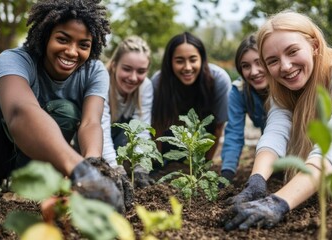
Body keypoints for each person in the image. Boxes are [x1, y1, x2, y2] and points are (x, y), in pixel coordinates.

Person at [224, 10, 332, 231]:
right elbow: (276, 133)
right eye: (273, 61)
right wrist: (257, 181)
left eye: (293, 51)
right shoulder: (286, 87)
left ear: (315, 45)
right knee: (323, 188)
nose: (286, 66)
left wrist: (279, 203)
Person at [0, 0, 127, 213]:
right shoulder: (14, 59)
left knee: (66, 112)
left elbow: (91, 122)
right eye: (63, 39)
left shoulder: (94, 71)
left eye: (83, 45)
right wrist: (78, 169)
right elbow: (20, 112)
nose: (72, 52)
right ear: (45, 37)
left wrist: (94, 167)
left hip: (38, 164)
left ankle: (27, 192)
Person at [151, 31, 232, 168]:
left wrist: (203, 167)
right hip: (171, 142)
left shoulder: (218, 80)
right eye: (179, 61)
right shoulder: (159, 82)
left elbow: (218, 127)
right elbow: (157, 125)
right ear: (170, 62)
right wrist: (157, 165)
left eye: (193, 60)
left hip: (202, 142)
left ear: (202, 59)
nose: (187, 67)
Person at [102, 36, 155, 188]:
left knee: (131, 130)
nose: (133, 77)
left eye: (141, 71)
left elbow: (142, 129)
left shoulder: (145, 86)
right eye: (126, 69)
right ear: (114, 65)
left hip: (119, 142)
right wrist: (114, 168)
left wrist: (140, 166)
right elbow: (101, 129)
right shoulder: (102, 82)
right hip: (95, 141)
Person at [220, 34, 268, 184]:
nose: (254, 72)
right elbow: (234, 132)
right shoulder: (239, 91)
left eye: (259, 62)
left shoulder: (285, 86)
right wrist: (227, 172)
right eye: (246, 66)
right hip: (270, 150)